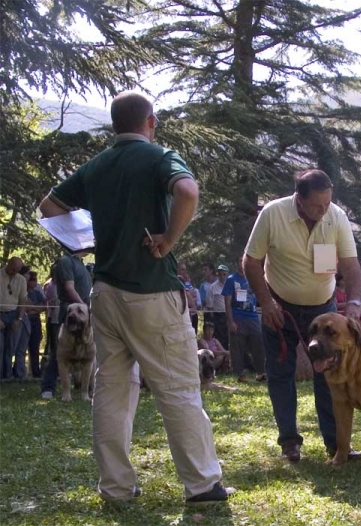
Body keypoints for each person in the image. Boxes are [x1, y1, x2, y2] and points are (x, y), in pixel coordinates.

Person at [38, 91, 233, 505]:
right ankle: (202, 484)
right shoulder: (161, 157)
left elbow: (49, 206)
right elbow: (188, 192)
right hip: (152, 290)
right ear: (152, 121)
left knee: (111, 388)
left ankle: (115, 487)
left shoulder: (97, 165)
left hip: (104, 293)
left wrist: (86, 242)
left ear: (114, 125)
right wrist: (168, 239)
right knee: (179, 388)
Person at [244, 168, 361, 463]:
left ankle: (337, 445)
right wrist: (266, 302)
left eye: (327, 204)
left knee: (330, 376)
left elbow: (350, 266)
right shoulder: (273, 213)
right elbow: (250, 262)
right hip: (279, 310)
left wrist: (354, 302)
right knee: (280, 375)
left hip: (323, 310)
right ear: (299, 199)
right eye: (316, 205)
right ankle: (289, 442)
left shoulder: (336, 217)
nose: (323, 211)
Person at [40, 251, 92, 400]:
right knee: (60, 353)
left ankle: (85, 390)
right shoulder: (66, 261)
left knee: (87, 352)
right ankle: (48, 388)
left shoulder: (80, 263)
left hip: (83, 312)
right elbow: (69, 287)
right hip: (72, 310)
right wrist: (82, 307)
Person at [222, 256, 266, 383]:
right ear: (237, 263)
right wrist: (230, 321)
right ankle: (239, 375)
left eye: (244, 261)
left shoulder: (252, 279)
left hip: (253, 317)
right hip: (237, 317)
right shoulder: (231, 280)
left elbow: (259, 297)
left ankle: (260, 373)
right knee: (237, 348)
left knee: (258, 346)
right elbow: (227, 302)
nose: (242, 264)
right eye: (240, 261)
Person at [0, 257, 27, 380]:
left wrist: (19, 319)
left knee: (10, 347)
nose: (14, 271)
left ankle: (8, 375)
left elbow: (22, 301)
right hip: (0, 313)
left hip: (13, 315)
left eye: (17, 270)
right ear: (8, 264)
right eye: (12, 269)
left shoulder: (21, 280)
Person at [24, 271, 46, 378]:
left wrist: (32, 308)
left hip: (36, 322)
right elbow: (25, 307)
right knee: (22, 348)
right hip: (25, 321)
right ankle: (21, 372)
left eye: (36, 279)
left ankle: (36, 372)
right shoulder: (23, 292)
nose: (35, 282)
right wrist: (35, 308)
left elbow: (44, 306)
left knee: (35, 348)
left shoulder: (37, 293)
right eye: (33, 279)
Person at [206, 264, 229, 349]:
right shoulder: (212, 287)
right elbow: (209, 305)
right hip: (218, 316)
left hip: (230, 315)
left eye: (224, 274)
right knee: (220, 337)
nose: (222, 276)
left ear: (227, 274)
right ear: (217, 274)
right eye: (220, 274)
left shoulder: (231, 285)